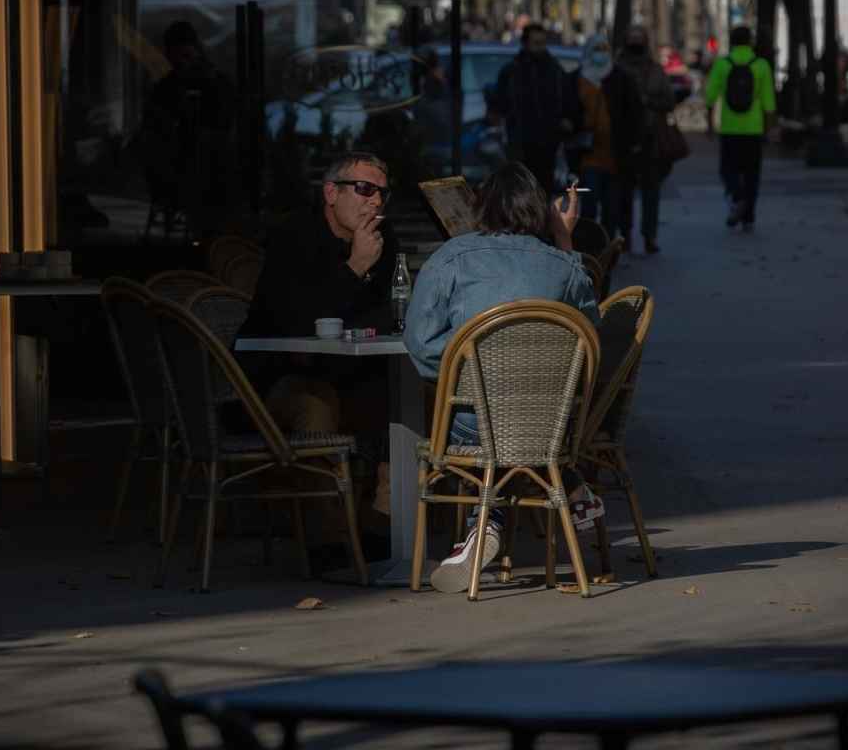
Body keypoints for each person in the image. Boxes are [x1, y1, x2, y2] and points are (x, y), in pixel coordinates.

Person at [402, 163, 601, 593]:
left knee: (451, 415)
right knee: (521, 432)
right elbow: (589, 342)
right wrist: (564, 236)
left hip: (472, 418)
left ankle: (485, 522)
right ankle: (563, 482)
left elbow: (420, 345)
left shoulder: (452, 257)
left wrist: (472, 369)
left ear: (482, 206)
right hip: (550, 423)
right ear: (541, 211)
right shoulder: (565, 268)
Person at [239, 151, 401, 506]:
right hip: (279, 376)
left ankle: (387, 528)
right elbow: (297, 325)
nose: (375, 200)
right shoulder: (294, 237)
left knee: (404, 400)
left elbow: (386, 314)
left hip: (349, 371)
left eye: (381, 193)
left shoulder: (381, 237)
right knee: (318, 404)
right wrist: (355, 266)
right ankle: (327, 544)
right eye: (363, 189)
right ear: (331, 193)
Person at [144, 21, 237, 237]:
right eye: (177, 57)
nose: (181, 62)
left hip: (208, 167)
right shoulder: (167, 87)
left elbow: (227, 116)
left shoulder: (215, 81)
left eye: (186, 56)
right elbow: (156, 130)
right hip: (181, 172)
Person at [487, 23, 579, 193]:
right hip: (520, 142)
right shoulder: (512, 71)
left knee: (543, 189)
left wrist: (566, 121)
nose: (540, 47)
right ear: (526, 44)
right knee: (521, 189)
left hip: (548, 142)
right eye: (536, 43)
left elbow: (567, 100)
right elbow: (499, 102)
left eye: (542, 43)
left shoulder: (555, 70)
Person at [703, 25, 776, 231]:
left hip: (730, 127)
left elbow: (710, 97)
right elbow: (769, 102)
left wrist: (709, 124)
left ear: (732, 42)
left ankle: (737, 197)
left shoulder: (722, 64)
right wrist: (769, 128)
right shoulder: (761, 65)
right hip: (754, 128)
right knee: (752, 173)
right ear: (750, 41)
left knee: (728, 169)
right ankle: (749, 217)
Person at [572, 35, 644, 243]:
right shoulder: (577, 79)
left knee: (612, 207)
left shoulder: (621, 79)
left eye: (604, 48)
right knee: (589, 205)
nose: (601, 53)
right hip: (588, 156)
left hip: (615, 156)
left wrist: (633, 142)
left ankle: (606, 247)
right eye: (597, 48)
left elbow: (634, 112)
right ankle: (589, 247)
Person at [616, 26, 677, 254]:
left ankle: (649, 236)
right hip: (624, 139)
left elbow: (669, 99)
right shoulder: (617, 68)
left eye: (639, 39)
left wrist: (647, 101)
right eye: (631, 39)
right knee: (624, 191)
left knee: (651, 191)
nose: (635, 43)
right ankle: (625, 235)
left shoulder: (655, 69)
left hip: (651, 138)